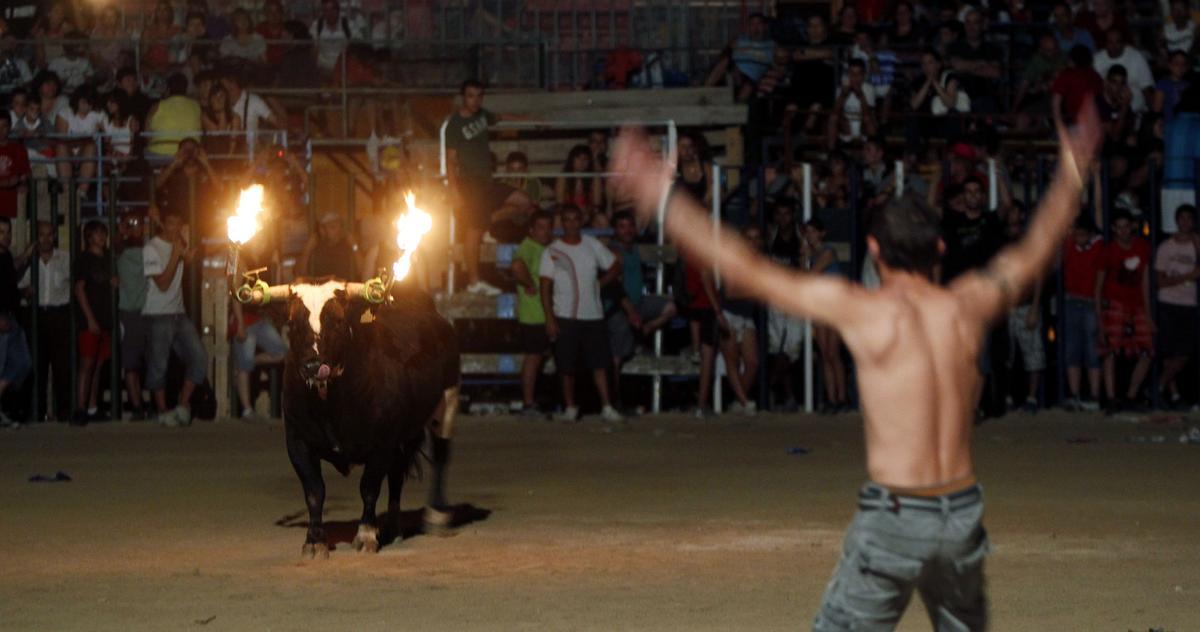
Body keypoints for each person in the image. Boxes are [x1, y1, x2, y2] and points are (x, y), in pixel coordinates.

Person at [610, 98, 1102, 631]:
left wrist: (662, 195)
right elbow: (1035, 247)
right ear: (938, 246)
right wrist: (1074, 166)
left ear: (874, 250)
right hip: (960, 513)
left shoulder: (866, 312)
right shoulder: (968, 304)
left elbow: (745, 267)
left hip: (897, 513)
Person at [444, 79, 533, 295]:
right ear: (463, 97)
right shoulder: (454, 124)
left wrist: (531, 120)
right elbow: (450, 160)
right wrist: (454, 189)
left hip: (487, 181)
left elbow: (502, 118)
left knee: (524, 202)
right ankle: (474, 281)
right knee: (472, 231)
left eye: (479, 95)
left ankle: (486, 223)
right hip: (469, 182)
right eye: (471, 96)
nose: (475, 100)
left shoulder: (483, 115)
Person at [538, 204, 623, 423]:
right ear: (562, 222)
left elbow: (615, 265)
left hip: (592, 314)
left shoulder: (591, 245)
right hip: (565, 314)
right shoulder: (552, 251)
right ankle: (570, 407)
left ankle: (606, 406)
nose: (571, 224)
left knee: (599, 363)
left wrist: (601, 283)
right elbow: (545, 286)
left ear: (581, 221)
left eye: (575, 219)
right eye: (567, 219)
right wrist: (549, 318)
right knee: (566, 365)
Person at [143, 210, 207, 427]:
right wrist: (175, 255)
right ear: (163, 224)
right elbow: (162, 284)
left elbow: (187, 260)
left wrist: (184, 256)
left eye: (178, 224)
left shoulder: (180, 243)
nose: (175, 228)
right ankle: (162, 411)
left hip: (179, 313)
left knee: (199, 358)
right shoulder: (151, 248)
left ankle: (182, 404)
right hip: (158, 314)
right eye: (171, 223)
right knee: (158, 365)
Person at [1096, 210, 1153, 413]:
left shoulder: (1142, 248)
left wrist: (1148, 313)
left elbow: (1145, 281)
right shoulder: (1109, 251)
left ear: (1132, 227)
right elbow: (1099, 287)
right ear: (1113, 229)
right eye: (1119, 227)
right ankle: (1111, 398)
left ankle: (1131, 395)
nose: (1123, 231)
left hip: (1137, 304)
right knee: (1110, 350)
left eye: (1126, 226)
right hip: (1114, 303)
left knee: (1147, 349)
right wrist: (1100, 319)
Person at [19, 221, 71, 422]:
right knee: (36, 365)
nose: (46, 239)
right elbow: (17, 286)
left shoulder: (65, 258)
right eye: (42, 234)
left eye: (49, 234)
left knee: (62, 366)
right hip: (36, 314)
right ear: (36, 236)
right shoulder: (28, 260)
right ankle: (37, 411)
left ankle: (63, 410)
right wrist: (25, 292)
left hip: (59, 315)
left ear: (55, 236)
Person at [230, 236, 285, 421]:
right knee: (244, 366)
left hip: (260, 319)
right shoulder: (242, 262)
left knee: (281, 352)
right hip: (244, 319)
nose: (262, 243)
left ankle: (246, 363)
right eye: (258, 240)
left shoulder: (264, 262)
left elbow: (275, 291)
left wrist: (277, 265)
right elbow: (236, 295)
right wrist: (240, 325)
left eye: (263, 241)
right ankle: (247, 410)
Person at [1001, 207, 1046, 413]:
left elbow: (1038, 278)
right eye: (1011, 224)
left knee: (1033, 355)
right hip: (1005, 308)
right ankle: (1009, 397)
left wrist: (1035, 306)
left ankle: (1031, 398)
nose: (1014, 228)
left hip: (1026, 306)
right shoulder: (1000, 246)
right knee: (1007, 356)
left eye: (1017, 223)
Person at [1154, 204, 1199, 408]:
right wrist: (1187, 276)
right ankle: (1171, 394)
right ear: (1176, 220)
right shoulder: (1166, 247)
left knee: (1185, 352)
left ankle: (1159, 387)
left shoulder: (1196, 244)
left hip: (1189, 303)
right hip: (1168, 302)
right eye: (1182, 218)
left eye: (1189, 218)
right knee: (1170, 352)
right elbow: (1160, 281)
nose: (1185, 222)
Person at [511, 210, 554, 419]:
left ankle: (533, 401)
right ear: (531, 230)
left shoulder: (542, 248)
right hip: (533, 314)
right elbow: (517, 266)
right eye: (541, 227)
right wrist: (530, 285)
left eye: (548, 227)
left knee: (538, 358)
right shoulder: (529, 247)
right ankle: (528, 404)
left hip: (542, 314)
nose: (545, 232)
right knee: (533, 358)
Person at [72, 220, 114, 425]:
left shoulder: (107, 258)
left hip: (104, 318)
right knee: (87, 364)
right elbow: (79, 289)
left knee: (97, 365)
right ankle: (80, 408)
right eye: (97, 234)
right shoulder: (84, 260)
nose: (101, 237)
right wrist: (90, 319)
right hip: (92, 320)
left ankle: (91, 407)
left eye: (103, 233)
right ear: (89, 236)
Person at [805, 219, 849, 413]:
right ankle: (832, 398)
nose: (809, 235)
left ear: (821, 233)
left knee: (833, 353)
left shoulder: (828, 252)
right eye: (807, 232)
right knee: (825, 353)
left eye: (813, 231)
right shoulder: (813, 254)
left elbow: (811, 275)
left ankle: (841, 397)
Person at [1061, 215, 1104, 411]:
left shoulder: (1097, 246)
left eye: (1083, 234)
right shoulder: (1068, 245)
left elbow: (1098, 211)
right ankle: (1075, 395)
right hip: (1071, 301)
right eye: (1076, 233)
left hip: (1089, 303)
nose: (1079, 237)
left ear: (1090, 235)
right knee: (1072, 350)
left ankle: (1094, 396)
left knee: (1092, 350)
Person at [719, 224, 761, 416]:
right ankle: (744, 402)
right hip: (729, 313)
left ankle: (737, 400)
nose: (752, 242)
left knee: (752, 362)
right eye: (749, 237)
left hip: (746, 315)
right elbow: (729, 292)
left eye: (756, 238)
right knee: (732, 360)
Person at [116, 211, 150, 419]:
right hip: (129, 312)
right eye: (130, 224)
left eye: (137, 223)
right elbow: (116, 245)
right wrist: (123, 230)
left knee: (149, 362)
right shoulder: (120, 250)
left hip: (149, 311)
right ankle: (137, 407)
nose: (134, 227)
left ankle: (146, 405)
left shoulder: (149, 248)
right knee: (130, 363)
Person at [0, 216, 31, 427]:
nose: (7, 236)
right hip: (2, 319)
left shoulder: (6, 256)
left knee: (22, 363)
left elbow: (8, 285)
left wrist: (21, 292)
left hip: (11, 317)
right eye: (1, 232)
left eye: (8, 232)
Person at [146, 73, 202, 160]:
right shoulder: (196, 105)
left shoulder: (157, 106)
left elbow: (147, 134)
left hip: (159, 154)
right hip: (189, 154)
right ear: (186, 88)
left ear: (168, 89)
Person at [298, 213, 359, 280]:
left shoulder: (347, 243)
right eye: (324, 227)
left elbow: (362, 270)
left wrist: (354, 245)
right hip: (319, 287)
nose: (327, 231)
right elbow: (299, 273)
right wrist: (307, 248)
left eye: (332, 227)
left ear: (341, 228)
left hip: (343, 287)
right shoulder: (316, 244)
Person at [0, 114, 30, 219]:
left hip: (13, 205)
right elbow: (12, 180)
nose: (0, 130)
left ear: (9, 127)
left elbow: (24, 175)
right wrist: (7, 182)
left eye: (4, 126)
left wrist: (23, 182)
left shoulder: (18, 149)